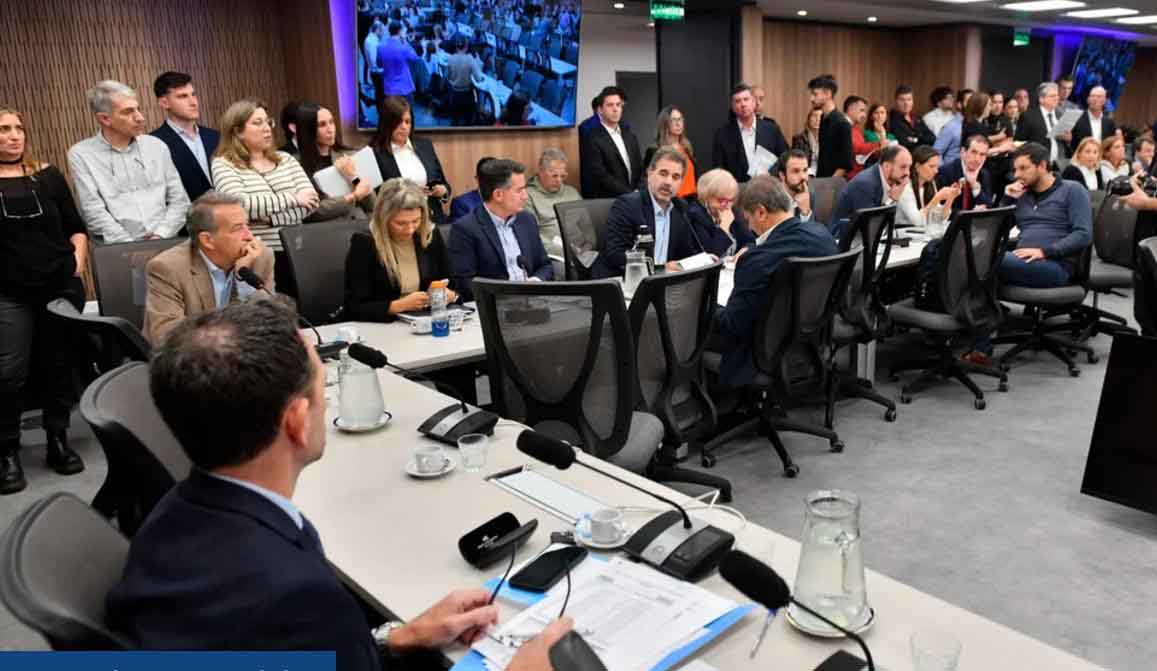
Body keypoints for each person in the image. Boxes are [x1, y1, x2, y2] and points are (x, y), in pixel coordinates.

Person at [106, 300, 571, 670]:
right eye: (320, 388)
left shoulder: (171, 516)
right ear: (297, 421)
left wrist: (398, 637)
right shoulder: (296, 595)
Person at [0, 107, 87, 493]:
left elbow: (76, 227)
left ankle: (58, 439)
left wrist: (77, 264)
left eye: (18, 128)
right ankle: (7, 450)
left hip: (57, 284)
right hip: (8, 292)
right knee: (9, 371)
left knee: (59, 363)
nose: (14, 135)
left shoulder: (48, 176)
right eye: (4, 129)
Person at [709, 175, 838, 387]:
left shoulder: (757, 260)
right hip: (809, 342)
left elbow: (732, 324)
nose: (749, 227)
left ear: (761, 212)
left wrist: (705, 306)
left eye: (748, 219)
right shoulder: (822, 235)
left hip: (762, 353)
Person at [211, 99, 317, 292]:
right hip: (259, 254)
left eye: (268, 122)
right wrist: (293, 199)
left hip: (299, 249)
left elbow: (311, 202)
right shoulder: (223, 164)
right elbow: (240, 206)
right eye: (257, 123)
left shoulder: (286, 159)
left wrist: (267, 219)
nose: (267, 128)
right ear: (238, 131)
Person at [142, 192, 274, 345]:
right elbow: (166, 336)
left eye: (247, 225)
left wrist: (244, 281)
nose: (249, 236)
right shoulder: (168, 268)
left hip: (242, 352)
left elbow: (271, 321)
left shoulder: (261, 257)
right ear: (207, 240)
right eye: (237, 229)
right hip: (188, 355)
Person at [67, 80, 190, 243]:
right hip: (116, 248)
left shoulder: (156, 146)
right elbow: (93, 211)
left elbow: (180, 200)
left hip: (166, 241)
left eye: (138, 109)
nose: (140, 118)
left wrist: (160, 235)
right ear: (105, 119)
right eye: (128, 112)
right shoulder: (82, 154)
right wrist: (131, 247)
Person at [344, 178, 455, 321]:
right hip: (383, 325)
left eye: (416, 221)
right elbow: (354, 307)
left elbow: (451, 282)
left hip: (426, 319)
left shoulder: (429, 234)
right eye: (400, 223)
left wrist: (450, 295)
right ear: (384, 218)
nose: (410, 229)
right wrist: (398, 305)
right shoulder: (365, 242)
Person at [591, 147, 704, 279]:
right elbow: (616, 255)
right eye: (663, 173)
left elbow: (686, 252)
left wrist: (703, 260)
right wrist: (660, 269)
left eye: (675, 177)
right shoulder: (628, 205)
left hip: (662, 282)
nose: (668, 182)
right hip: (624, 281)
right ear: (650, 173)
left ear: (681, 183)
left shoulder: (680, 208)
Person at [448, 159, 552, 301]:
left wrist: (535, 281)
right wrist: (508, 295)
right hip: (495, 305)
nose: (525, 196)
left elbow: (545, 265)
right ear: (498, 195)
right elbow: (465, 284)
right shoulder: (465, 229)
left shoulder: (527, 220)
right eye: (519, 190)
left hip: (533, 301)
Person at [997, 142, 1092, 289]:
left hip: (1055, 265)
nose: (1017, 175)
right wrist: (1007, 199)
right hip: (1021, 261)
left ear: (1042, 166)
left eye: (1023, 168)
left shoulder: (1073, 190)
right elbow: (996, 232)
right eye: (1015, 170)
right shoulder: (1021, 195)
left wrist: (1044, 252)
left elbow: (1083, 234)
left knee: (987, 260)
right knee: (977, 257)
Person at [372, 96, 451, 226]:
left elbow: (445, 185)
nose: (404, 127)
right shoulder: (375, 154)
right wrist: (408, 193)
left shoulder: (425, 146)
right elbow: (376, 198)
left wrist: (442, 191)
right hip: (399, 222)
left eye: (407, 122)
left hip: (433, 220)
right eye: (398, 122)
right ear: (387, 123)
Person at [289, 102, 375, 222]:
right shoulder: (294, 163)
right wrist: (353, 196)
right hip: (328, 228)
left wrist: (353, 177)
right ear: (308, 129)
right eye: (322, 125)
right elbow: (313, 211)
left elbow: (372, 204)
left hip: (360, 223)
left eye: (331, 122)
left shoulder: (349, 155)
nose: (330, 129)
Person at [150, 72, 220, 203]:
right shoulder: (154, 143)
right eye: (183, 96)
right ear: (164, 103)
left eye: (193, 94)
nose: (193, 102)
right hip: (186, 214)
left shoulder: (216, 137)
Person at [712, 83, 787, 184]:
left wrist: (771, 173)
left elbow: (785, 158)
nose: (743, 104)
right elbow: (719, 170)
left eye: (746, 99)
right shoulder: (722, 134)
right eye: (737, 101)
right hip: (737, 189)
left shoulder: (771, 129)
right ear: (732, 107)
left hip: (767, 187)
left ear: (754, 102)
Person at [831, 145, 912, 238]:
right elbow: (870, 227)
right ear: (886, 166)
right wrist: (892, 200)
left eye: (909, 167)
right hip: (843, 238)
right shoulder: (865, 184)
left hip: (866, 237)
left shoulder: (889, 180)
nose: (907, 173)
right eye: (903, 167)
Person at [579, 86, 642, 198]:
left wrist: (638, 191)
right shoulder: (592, 138)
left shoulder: (630, 135)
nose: (615, 109)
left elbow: (639, 167)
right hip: (609, 200)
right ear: (600, 110)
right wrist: (629, 193)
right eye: (610, 105)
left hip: (634, 198)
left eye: (618, 105)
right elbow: (600, 174)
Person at [525, 148, 582, 257]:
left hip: (580, 250)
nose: (559, 181)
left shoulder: (572, 192)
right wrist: (563, 250)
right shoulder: (528, 196)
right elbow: (531, 235)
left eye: (563, 176)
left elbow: (587, 226)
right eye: (554, 175)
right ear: (541, 172)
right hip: (552, 254)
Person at [686, 168, 753, 258]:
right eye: (721, 200)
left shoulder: (730, 209)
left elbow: (750, 241)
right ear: (706, 196)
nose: (727, 206)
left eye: (731, 200)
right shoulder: (694, 215)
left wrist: (745, 250)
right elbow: (710, 256)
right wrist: (724, 228)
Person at [895, 145, 960, 229]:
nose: (936, 171)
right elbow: (917, 221)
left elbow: (940, 218)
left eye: (937, 167)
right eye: (931, 166)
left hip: (922, 233)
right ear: (917, 166)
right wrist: (937, 198)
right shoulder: (905, 187)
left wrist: (951, 198)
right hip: (903, 233)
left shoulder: (930, 184)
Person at [936, 134, 994, 219]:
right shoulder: (945, 172)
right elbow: (939, 209)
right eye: (974, 152)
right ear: (963, 152)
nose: (977, 159)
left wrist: (974, 186)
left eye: (982, 154)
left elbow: (988, 207)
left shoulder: (984, 174)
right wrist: (970, 214)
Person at [645, 106, 697, 198]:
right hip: (670, 199)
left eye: (680, 119)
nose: (678, 124)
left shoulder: (687, 148)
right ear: (665, 123)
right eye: (673, 120)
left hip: (691, 200)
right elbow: (647, 180)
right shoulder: (655, 150)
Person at [1015, 82, 1069, 166]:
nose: (1057, 98)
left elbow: (1067, 142)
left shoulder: (1061, 115)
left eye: (1057, 95)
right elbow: (1018, 143)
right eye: (1052, 96)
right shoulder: (1028, 116)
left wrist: (1068, 139)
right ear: (1041, 99)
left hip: (1061, 163)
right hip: (1039, 164)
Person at [810, 74, 853, 178]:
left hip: (832, 183)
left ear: (828, 94)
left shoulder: (842, 124)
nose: (811, 98)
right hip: (820, 180)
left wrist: (829, 183)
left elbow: (846, 163)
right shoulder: (823, 119)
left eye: (815, 94)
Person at [376, 21, 420, 106]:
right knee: (407, 111)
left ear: (389, 31)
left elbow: (379, 64)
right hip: (404, 87)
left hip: (390, 88)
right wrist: (406, 42)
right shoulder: (404, 47)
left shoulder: (380, 47)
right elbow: (415, 58)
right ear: (400, 31)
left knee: (394, 112)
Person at [446, 37, 483, 126]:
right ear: (466, 46)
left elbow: (449, 77)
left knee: (455, 121)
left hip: (455, 94)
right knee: (468, 122)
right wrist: (479, 64)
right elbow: (478, 78)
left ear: (456, 46)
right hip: (467, 95)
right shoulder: (470, 59)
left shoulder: (451, 58)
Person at [852, 101, 893, 180]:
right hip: (872, 169)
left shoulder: (891, 136)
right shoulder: (866, 133)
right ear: (871, 116)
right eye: (876, 113)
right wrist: (882, 134)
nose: (879, 116)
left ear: (886, 116)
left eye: (882, 113)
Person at [1069, 86, 1116, 154]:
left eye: (1099, 96)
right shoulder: (1077, 118)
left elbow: (1109, 146)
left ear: (1105, 101)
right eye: (1092, 96)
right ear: (1088, 99)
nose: (1094, 99)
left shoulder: (1109, 123)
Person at [890, 85, 935, 152]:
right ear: (896, 101)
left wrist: (916, 139)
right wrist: (920, 137)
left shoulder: (917, 118)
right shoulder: (892, 119)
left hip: (922, 154)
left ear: (912, 101)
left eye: (909, 99)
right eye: (902, 100)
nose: (906, 103)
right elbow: (904, 143)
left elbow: (932, 138)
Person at [449, 156, 493, 222]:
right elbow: (460, 228)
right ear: (477, 179)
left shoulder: (506, 201)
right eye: (489, 178)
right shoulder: (462, 204)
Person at [792, 108, 822, 176]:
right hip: (806, 173)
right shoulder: (799, 138)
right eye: (814, 116)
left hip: (823, 173)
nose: (818, 119)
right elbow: (797, 160)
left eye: (820, 117)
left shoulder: (828, 138)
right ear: (808, 119)